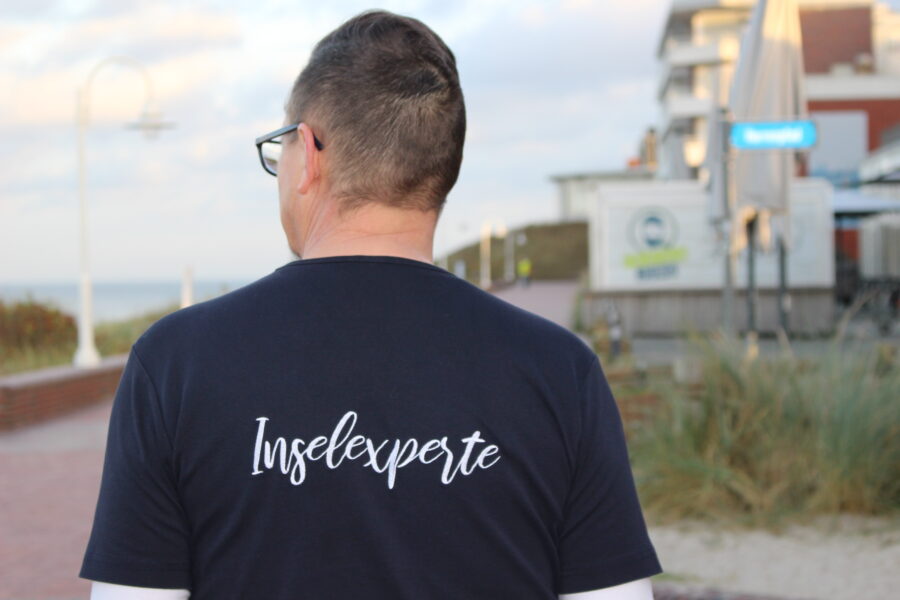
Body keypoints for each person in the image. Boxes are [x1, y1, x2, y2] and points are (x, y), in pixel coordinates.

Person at [80, 10, 663, 600]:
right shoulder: (558, 371)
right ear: (442, 170)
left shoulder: (176, 364)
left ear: (310, 154)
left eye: (282, 147)